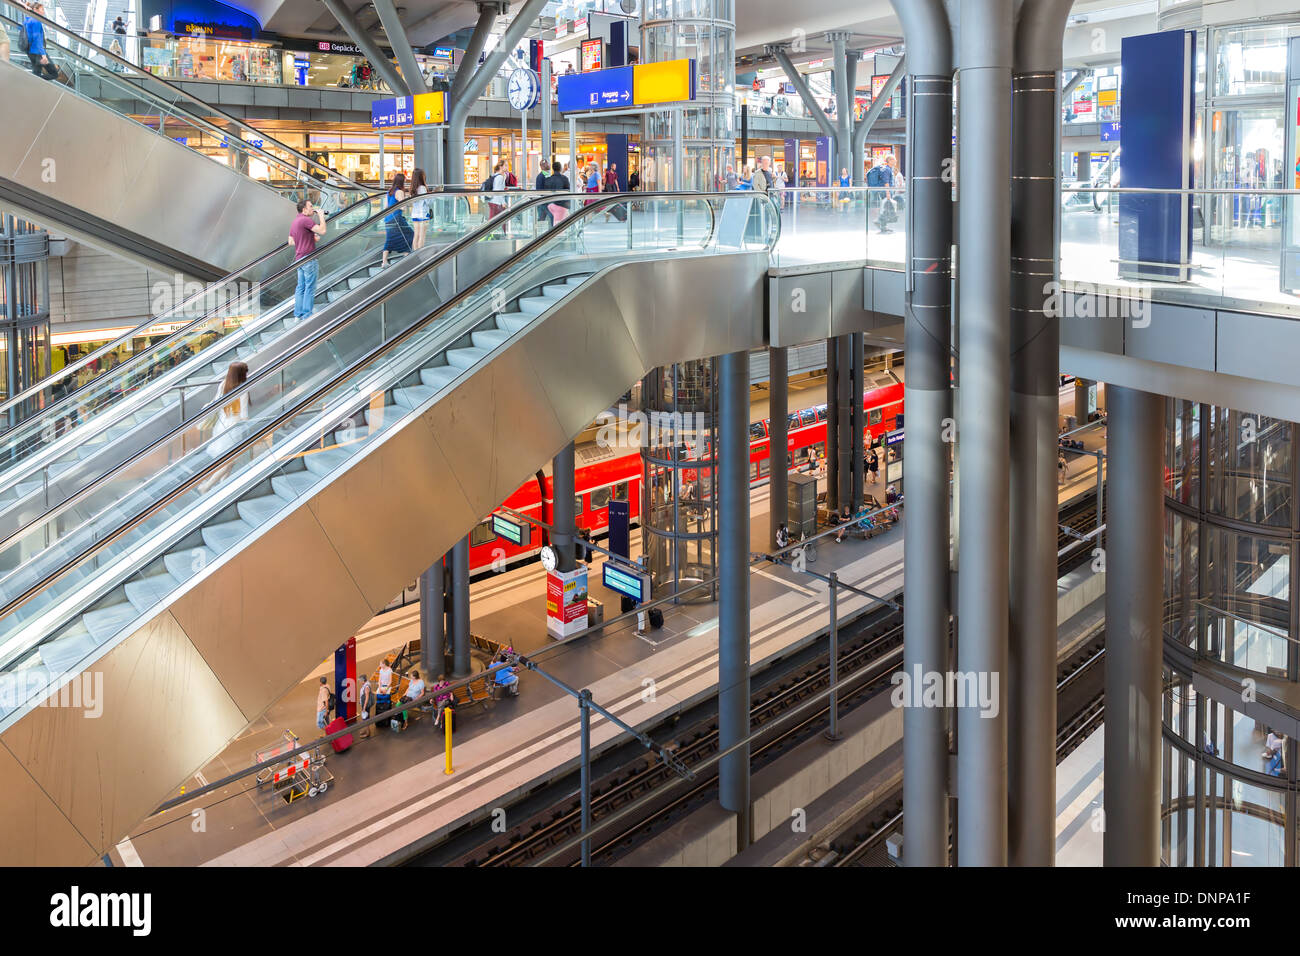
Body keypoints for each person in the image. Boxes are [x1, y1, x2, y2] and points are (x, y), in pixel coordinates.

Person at [200, 361, 250, 491]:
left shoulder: (223, 385)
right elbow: (244, 416)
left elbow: (216, 403)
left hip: (221, 425)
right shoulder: (242, 390)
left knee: (229, 461)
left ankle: (223, 488)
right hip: (234, 429)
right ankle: (207, 486)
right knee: (230, 460)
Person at [289, 199, 326, 319]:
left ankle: (297, 315)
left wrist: (308, 237)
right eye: (311, 206)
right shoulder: (306, 220)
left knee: (301, 287)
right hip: (309, 259)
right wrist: (321, 216)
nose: (313, 208)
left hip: (299, 259)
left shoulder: (295, 221)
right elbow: (323, 230)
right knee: (309, 287)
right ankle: (307, 315)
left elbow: (291, 241)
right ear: (304, 209)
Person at [381, 172, 413, 267]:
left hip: (388, 218)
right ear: (402, 181)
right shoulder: (399, 192)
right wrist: (407, 200)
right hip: (397, 218)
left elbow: (386, 206)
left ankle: (384, 262)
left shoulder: (389, 191)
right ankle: (406, 257)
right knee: (410, 234)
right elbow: (402, 207)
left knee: (390, 239)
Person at [24, 4, 59, 81]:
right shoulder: (36, 22)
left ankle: (33, 83)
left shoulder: (28, 20)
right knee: (54, 74)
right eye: (42, 9)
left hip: (31, 52)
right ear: (35, 10)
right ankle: (31, 82)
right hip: (38, 52)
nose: (43, 12)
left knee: (36, 73)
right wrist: (43, 55)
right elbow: (37, 40)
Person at [409, 167, 430, 250]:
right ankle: (420, 255)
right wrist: (434, 195)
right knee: (422, 236)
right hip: (423, 214)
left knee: (416, 235)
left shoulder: (412, 188)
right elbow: (428, 202)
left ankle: (415, 254)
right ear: (421, 177)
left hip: (415, 214)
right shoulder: (422, 188)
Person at [357, 673, 374, 739]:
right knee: (365, 718)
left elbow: (367, 697)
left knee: (365, 718)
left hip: (366, 705)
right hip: (364, 704)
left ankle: (368, 733)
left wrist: (364, 707)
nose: (359, 682)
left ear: (363, 680)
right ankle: (366, 729)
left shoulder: (366, 687)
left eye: (360, 680)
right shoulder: (366, 684)